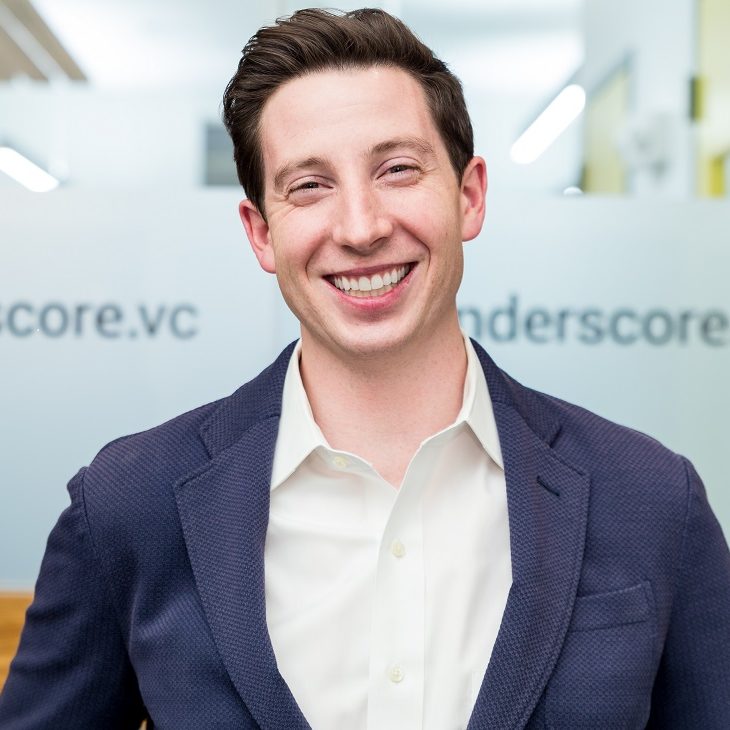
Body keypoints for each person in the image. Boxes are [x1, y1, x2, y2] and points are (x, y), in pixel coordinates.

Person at [1, 7, 729, 729]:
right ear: (260, 233)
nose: (361, 227)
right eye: (309, 186)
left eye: (398, 170)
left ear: (470, 196)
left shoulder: (653, 500)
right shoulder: (129, 507)